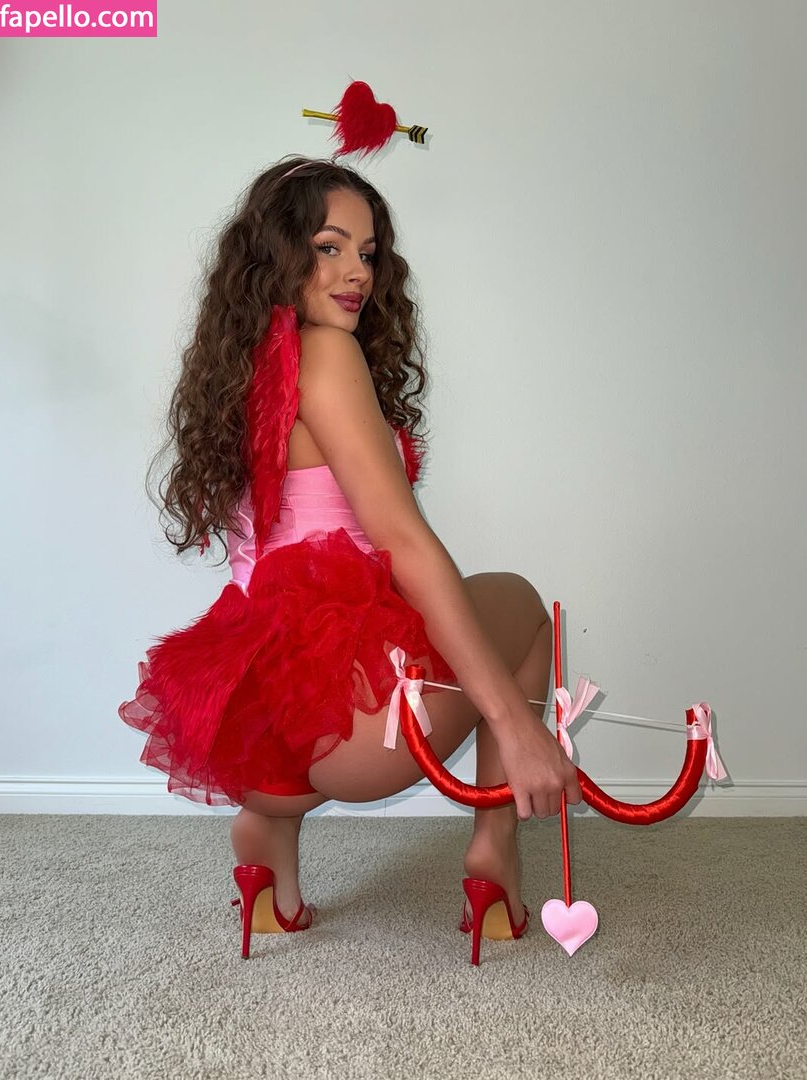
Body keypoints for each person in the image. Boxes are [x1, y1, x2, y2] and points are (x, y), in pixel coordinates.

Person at [119, 155, 582, 962]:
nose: (357, 273)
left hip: (252, 717)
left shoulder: (243, 367)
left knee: (372, 624)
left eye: (367, 253)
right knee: (517, 601)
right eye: (329, 247)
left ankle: (269, 844)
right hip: (351, 726)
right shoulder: (326, 355)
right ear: (278, 253)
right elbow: (402, 541)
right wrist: (516, 723)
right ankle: (495, 850)